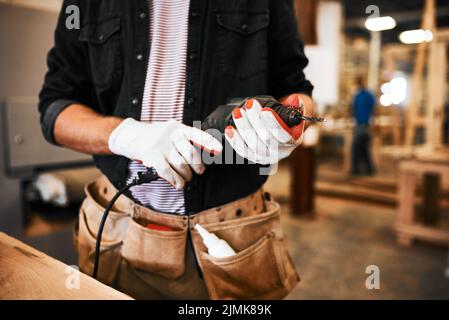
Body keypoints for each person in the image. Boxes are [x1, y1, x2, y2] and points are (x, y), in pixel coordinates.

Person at [39, 0, 314, 299]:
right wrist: (128, 136)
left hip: (231, 237)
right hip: (115, 231)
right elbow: (55, 109)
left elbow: (296, 87)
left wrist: (287, 126)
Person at [351, 77, 376, 176]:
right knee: (363, 148)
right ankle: (369, 169)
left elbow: (373, 109)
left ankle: (356, 170)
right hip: (359, 124)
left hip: (364, 125)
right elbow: (354, 109)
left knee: (356, 147)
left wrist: (374, 121)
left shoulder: (367, 95)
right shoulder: (357, 96)